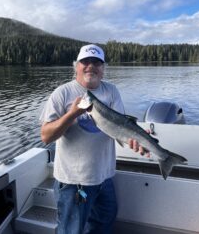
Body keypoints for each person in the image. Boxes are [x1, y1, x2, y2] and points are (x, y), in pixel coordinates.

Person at [40, 44, 146, 234]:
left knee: (103, 225)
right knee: (71, 231)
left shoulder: (111, 91)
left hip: (104, 178)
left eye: (97, 62)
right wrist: (72, 114)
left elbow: (121, 126)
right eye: (85, 61)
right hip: (74, 183)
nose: (91, 66)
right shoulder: (62, 93)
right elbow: (46, 136)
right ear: (76, 66)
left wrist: (138, 140)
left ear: (103, 69)